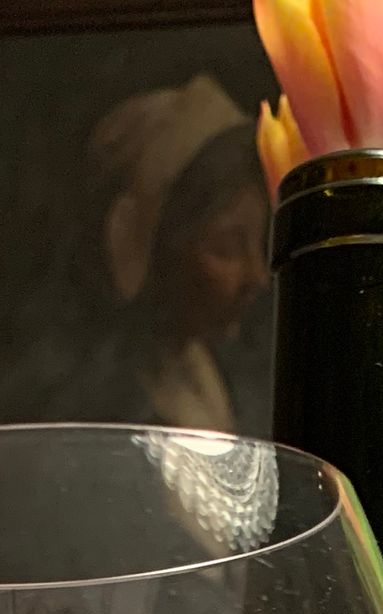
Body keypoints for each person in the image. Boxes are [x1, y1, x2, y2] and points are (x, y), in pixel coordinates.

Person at [59, 73, 274, 436]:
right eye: (226, 248)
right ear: (157, 253)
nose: (257, 276)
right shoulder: (97, 402)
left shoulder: (207, 377)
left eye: (258, 244)